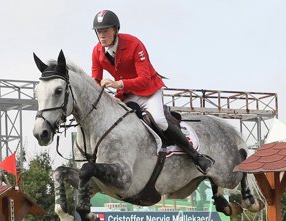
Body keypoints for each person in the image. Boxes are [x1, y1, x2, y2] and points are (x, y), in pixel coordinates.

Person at [90, 9, 212, 173]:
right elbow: (95, 81)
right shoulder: (97, 52)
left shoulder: (134, 44)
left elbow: (144, 80)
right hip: (126, 95)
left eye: (105, 31)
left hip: (148, 91)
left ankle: (196, 156)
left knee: (159, 120)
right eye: (99, 32)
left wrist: (117, 84)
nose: (102, 36)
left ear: (115, 30)